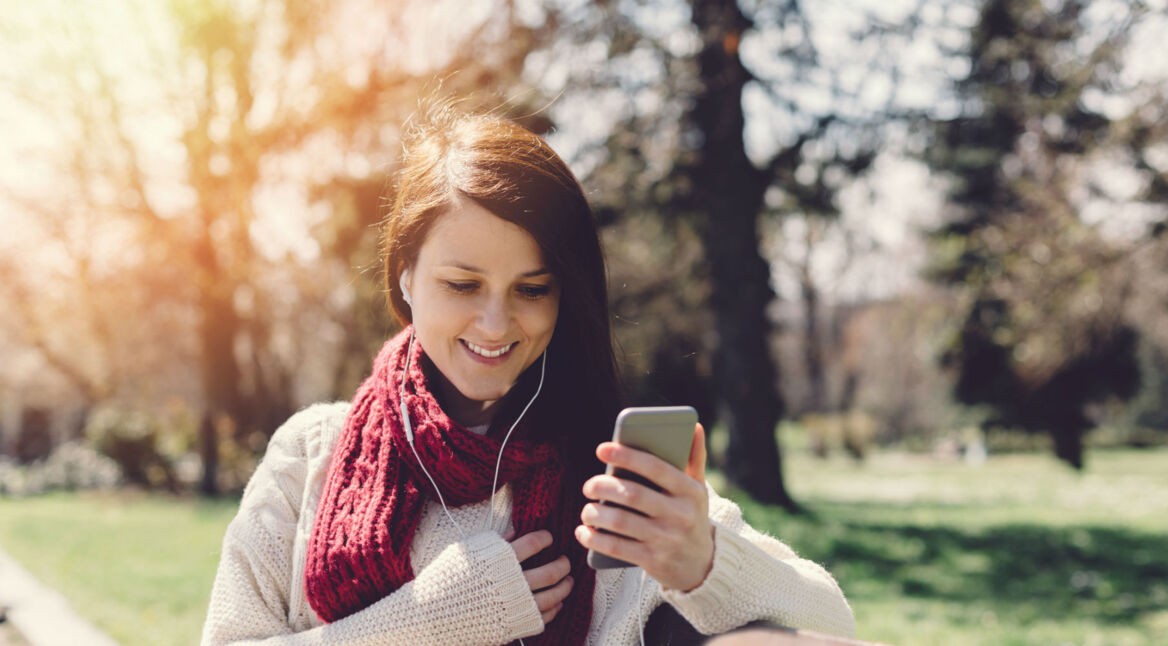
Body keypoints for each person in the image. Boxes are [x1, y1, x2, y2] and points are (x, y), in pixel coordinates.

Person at [200, 103, 856, 646]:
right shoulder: (309, 454)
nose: (495, 323)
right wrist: (422, 622)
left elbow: (829, 623)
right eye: (463, 284)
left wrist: (704, 564)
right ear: (406, 275)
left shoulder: (611, 476)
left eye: (532, 289)